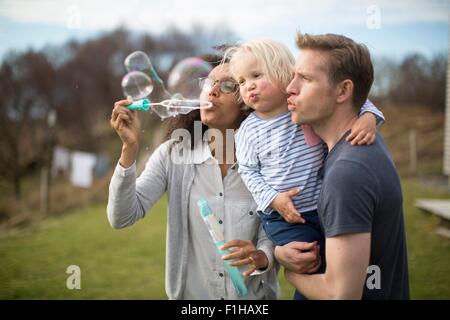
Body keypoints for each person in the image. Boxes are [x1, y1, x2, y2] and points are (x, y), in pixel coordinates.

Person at [107, 54, 279, 300]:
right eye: (209, 84)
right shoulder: (173, 154)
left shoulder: (268, 161)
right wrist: (129, 148)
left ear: (249, 101)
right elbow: (121, 217)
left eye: (228, 85)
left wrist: (263, 256)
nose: (213, 92)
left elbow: (273, 229)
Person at [224, 39, 384, 298]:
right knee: (311, 260)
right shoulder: (248, 131)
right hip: (284, 216)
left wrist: (369, 118)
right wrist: (273, 199)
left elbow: (356, 100)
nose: (248, 85)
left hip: (320, 206)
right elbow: (249, 171)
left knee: (334, 263)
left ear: (282, 73)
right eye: (242, 81)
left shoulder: (300, 107)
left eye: (256, 75)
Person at [278, 32, 409, 299]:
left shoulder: (348, 172)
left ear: (343, 91)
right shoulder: (362, 143)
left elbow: (340, 293)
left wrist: (290, 272)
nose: (290, 88)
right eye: (293, 76)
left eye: (305, 78)